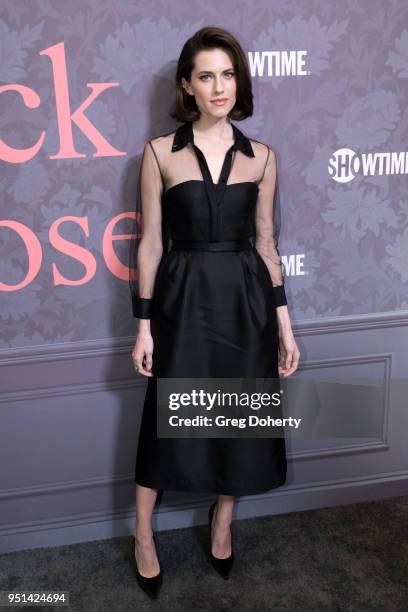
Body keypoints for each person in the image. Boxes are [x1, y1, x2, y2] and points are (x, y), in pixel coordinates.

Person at [129, 26, 300, 598]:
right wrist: (144, 325)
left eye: (228, 74)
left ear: (239, 82)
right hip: (182, 304)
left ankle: (222, 520)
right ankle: (144, 534)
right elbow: (150, 245)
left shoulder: (264, 158)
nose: (219, 86)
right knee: (167, 420)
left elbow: (267, 246)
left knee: (238, 419)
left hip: (245, 304)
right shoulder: (158, 154)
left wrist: (284, 325)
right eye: (206, 75)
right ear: (187, 85)